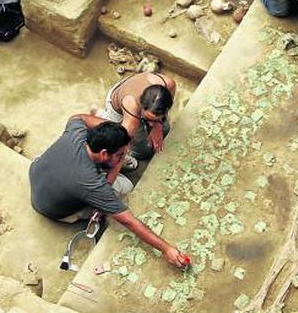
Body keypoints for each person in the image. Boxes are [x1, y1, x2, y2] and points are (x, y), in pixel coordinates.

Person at [29, 114, 189, 269]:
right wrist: (166, 249)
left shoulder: (77, 133)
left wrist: (117, 136)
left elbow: (78, 117)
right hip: (54, 210)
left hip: (38, 174)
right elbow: (128, 221)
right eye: (120, 154)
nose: (123, 156)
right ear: (104, 153)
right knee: (125, 186)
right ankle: (88, 210)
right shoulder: (92, 184)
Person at [96, 71, 176, 170]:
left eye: (156, 118)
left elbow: (163, 114)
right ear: (141, 106)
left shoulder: (169, 84)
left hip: (131, 93)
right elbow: (121, 147)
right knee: (142, 152)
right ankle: (104, 117)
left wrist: (158, 125)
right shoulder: (131, 113)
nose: (151, 124)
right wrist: (118, 160)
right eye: (148, 119)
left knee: (165, 129)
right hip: (118, 107)